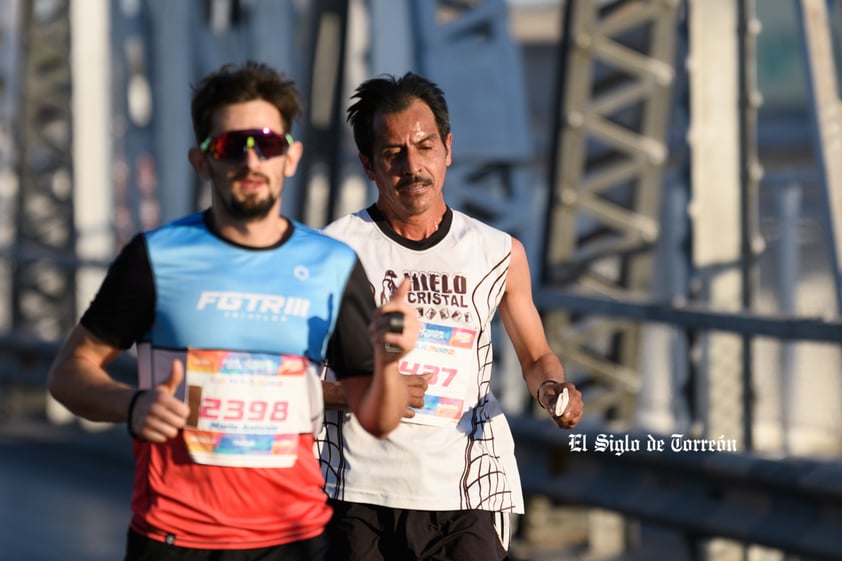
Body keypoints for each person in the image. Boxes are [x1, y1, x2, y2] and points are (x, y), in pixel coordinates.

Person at [47, 61, 419, 561]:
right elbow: (68, 374)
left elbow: (378, 418)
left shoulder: (332, 264)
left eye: (266, 143)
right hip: (174, 539)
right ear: (202, 161)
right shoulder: (156, 257)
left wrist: (390, 358)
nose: (251, 162)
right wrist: (132, 405)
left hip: (295, 540)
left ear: (290, 157)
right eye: (229, 146)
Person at [316, 72, 584, 561]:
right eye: (393, 153)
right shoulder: (331, 252)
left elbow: (536, 356)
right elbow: (287, 382)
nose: (412, 165)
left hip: (465, 494)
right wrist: (364, 392)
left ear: (448, 149)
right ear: (368, 165)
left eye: (425, 145)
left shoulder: (497, 252)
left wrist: (552, 390)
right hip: (357, 493)